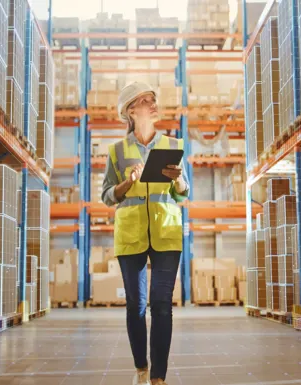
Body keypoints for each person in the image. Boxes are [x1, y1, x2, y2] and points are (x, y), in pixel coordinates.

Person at [101, 82, 189, 385]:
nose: (153, 104)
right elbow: (106, 196)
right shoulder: (117, 151)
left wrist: (178, 182)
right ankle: (141, 366)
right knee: (137, 306)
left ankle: (158, 377)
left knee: (162, 304)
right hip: (131, 234)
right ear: (130, 110)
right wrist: (125, 184)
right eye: (145, 100)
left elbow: (183, 194)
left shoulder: (173, 146)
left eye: (154, 99)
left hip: (166, 232)